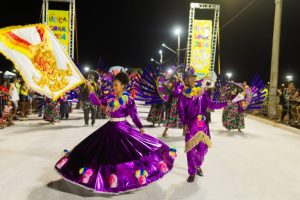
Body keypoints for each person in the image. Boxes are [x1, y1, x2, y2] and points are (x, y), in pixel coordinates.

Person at [55, 72, 175, 194]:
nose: (114, 87)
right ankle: (107, 177)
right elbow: (97, 102)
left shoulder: (128, 100)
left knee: (125, 153)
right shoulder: (109, 98)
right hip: (110, 128)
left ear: (123, 85)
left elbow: (134, 115)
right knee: (101, 152)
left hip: (124, 129)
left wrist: (140, 126)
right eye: (114, 85)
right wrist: (91, 89)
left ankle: (122, 178)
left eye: (117, 85)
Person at [177, 68, 227, 183]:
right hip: (190, 125)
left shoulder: (202, 93)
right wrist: (184, 123)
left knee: (203, 149)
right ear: (186, 79)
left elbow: (211, 104)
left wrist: (225, 103)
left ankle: (198, 165)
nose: (192, 79)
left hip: (203, 125)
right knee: (190, 150)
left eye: (193, 77)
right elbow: (181, 110)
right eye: (190, 77)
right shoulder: (183, 95)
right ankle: (192, 172)